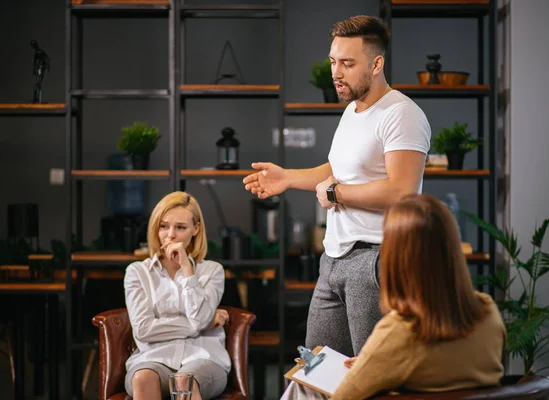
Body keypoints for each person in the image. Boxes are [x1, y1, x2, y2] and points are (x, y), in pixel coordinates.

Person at [243, 15, 431, 357]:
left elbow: (402, 192)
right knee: (316, 371)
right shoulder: (352, 112)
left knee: (370, 378)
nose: (336, 73)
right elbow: (339, 170)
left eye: (347, 63)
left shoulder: (401, 114)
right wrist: (287, 178)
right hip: (334, 259)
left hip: (377, 260)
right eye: (333, 61)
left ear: (376, 64)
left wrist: (335, 193)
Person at [281, 194, 506, 400]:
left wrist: (377, 359)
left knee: (304, 386)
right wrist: (375, 361)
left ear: (396, 259)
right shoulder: (488, 313)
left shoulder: (399, 331)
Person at [123, 191, 230, 400]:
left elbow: (199, 319)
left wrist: (187, 269)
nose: (170, 234)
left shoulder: (212, 271)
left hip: (203, 357)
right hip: (152, 357)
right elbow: (144, 330)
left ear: (195, 229)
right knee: (143, 378)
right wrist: (203, 324)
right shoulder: (137, 272)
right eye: (164, 226)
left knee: (184, 380)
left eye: (180, 227)